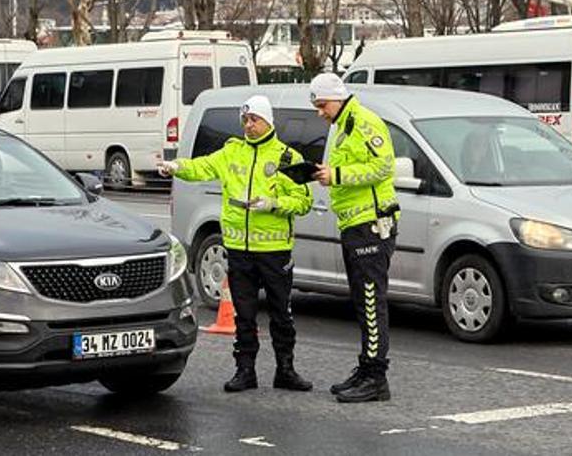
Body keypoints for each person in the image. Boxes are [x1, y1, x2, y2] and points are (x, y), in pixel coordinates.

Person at [158, 95, 314, 393]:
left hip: (274, 250)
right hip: (239, 248)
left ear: (267, 121)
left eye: (254, 119)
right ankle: (245, 371)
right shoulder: (232, 152)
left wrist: (272, 204)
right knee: (244, 313)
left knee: (281, 312)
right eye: (245, 119)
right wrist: (176, 166)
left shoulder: (286, 157)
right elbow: (202, 167)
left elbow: (304, 202)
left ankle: (286, 370)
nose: (248, 125)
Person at [309, 73, 398, 403]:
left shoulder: (363, 121)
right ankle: (366, 367)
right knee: (362, 302)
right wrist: (327, 175)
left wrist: (338, 175)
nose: (320, 112)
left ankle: (376, 377)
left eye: (321, 105)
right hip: (354, 224)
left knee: (372, 301)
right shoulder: (342, 125)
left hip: (372, 223)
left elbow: (383, 167)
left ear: (336, 97)